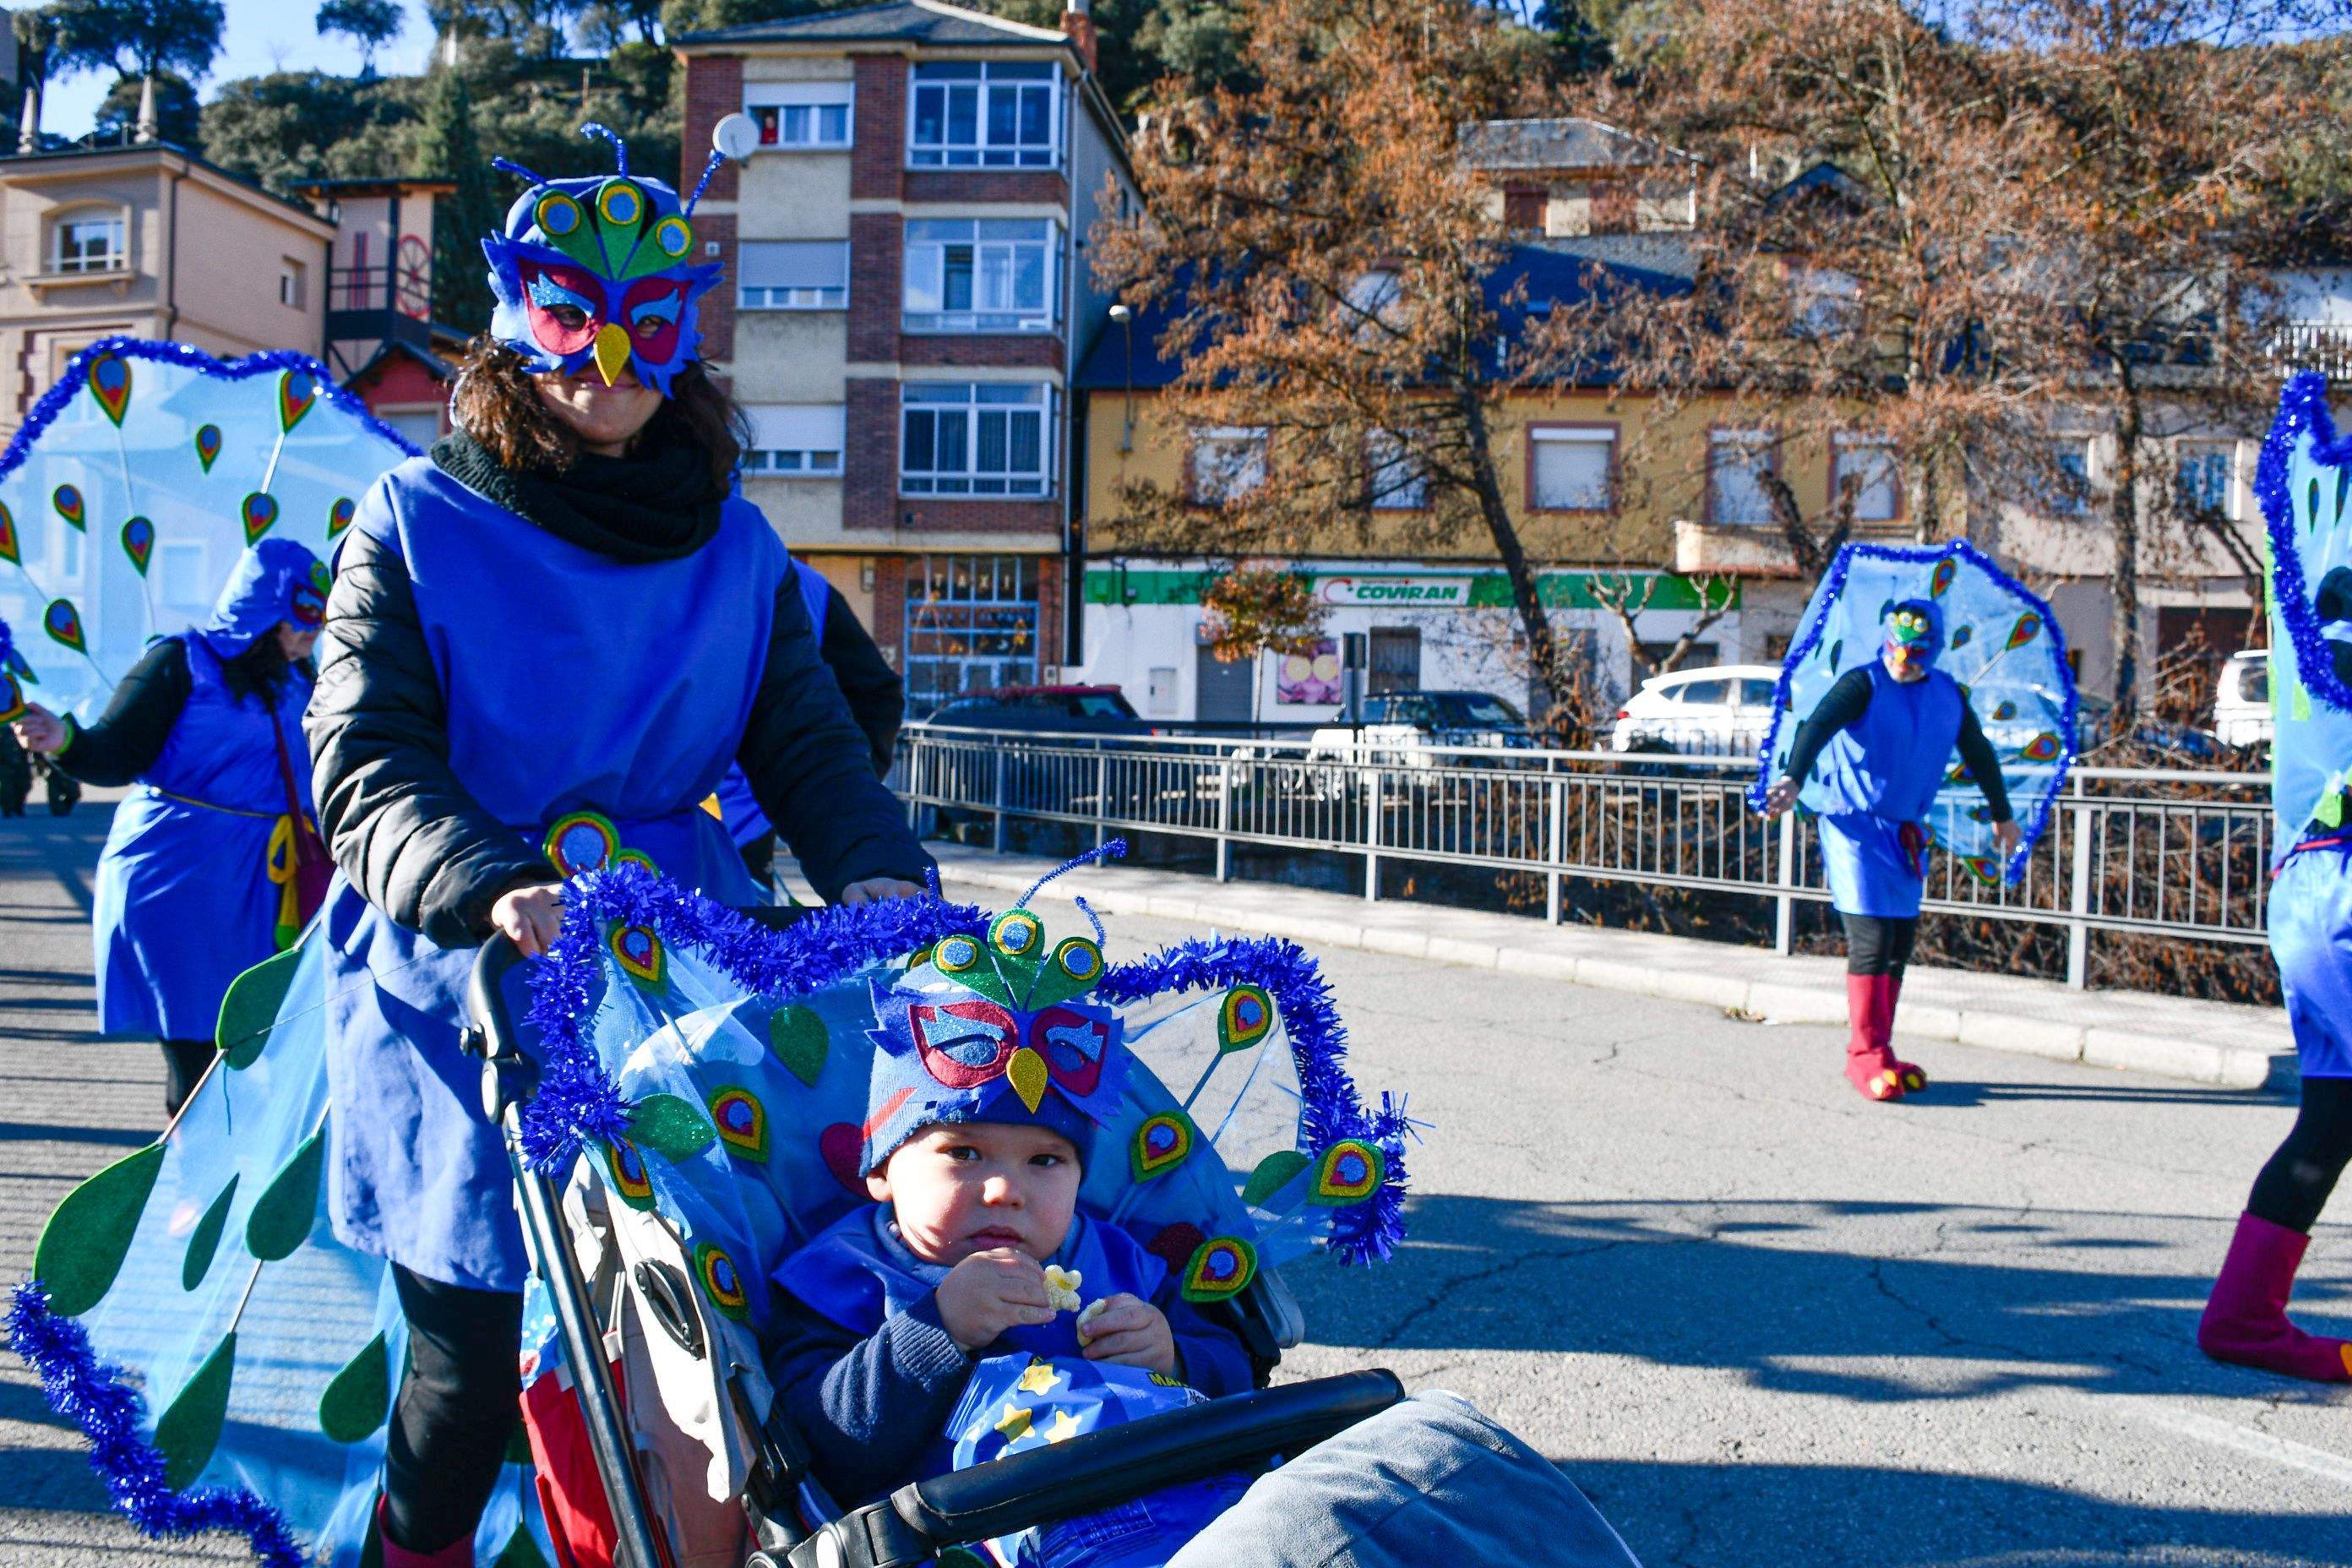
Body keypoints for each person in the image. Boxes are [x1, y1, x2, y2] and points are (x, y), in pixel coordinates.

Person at [305, 138, 934, 1568]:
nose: (605, 360)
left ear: (687, 337)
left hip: (676, 976)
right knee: (468, 1363)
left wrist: (879, 876)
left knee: (685, 1348)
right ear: (515, 331)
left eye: (644, 324)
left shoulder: (738, 548)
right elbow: (366, 759)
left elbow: (812, 748)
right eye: (568, 319)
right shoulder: (412, 520)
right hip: (471, 984)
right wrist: (485, 880)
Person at [769, 1112, 1256, 1566]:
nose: (1005, 1190)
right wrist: (937, 1327)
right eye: (963, 1154)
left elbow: (1238, 1374)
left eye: (1045, 1160)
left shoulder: (1121, 1262)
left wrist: (1175, 1358)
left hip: (1182, 1500)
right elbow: (825, 1449)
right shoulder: (840, 1279)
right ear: (881, 1170)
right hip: (972, 1539)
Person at [8, 539, 329, 1114]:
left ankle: (234, 1182)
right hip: (179, 879)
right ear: (261, 616)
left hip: (262, 884)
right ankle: (188, 1188)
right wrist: (67, 741)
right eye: (298, 622)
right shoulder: (180, 662)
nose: (310, 636)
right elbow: (116, 751)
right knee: (198, 1048)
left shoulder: (297, 675)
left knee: (258, 1037)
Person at [1760, 600, 2023, 1102]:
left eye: (1917, 652)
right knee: (1872, 936)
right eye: (1896, 648)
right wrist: (1793, 777)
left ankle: (1881, 1046)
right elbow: (1815, 726)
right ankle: (1863, 1055)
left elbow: (1979, 750)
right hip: (1855, 828)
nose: (1904, 660)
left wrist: (2002, 813)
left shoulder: (1947, 695)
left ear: (1936, 651)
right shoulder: (1863, 683)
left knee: (1899, 942)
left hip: (1905, 834)